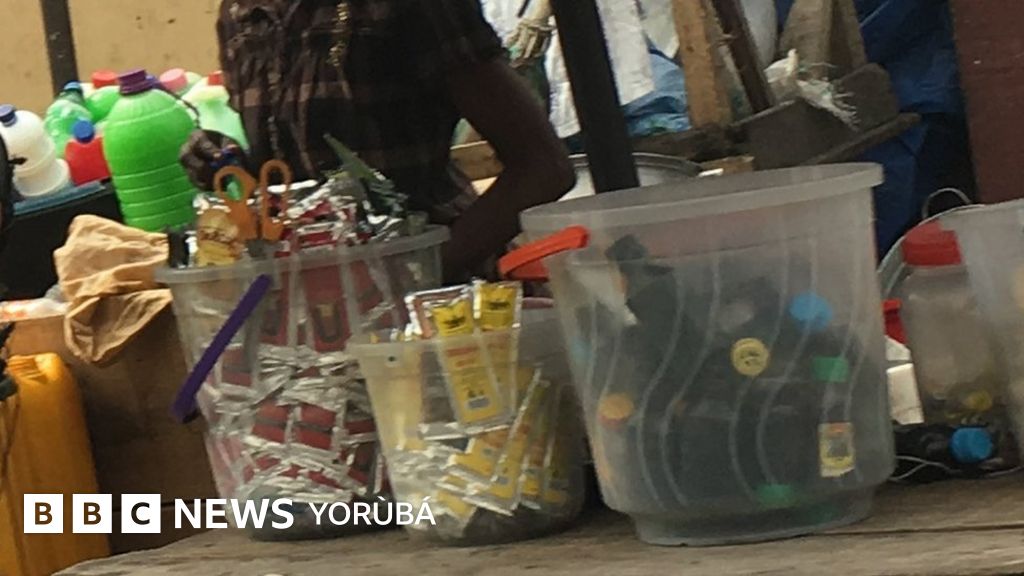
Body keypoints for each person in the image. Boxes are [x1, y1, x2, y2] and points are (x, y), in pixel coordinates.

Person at [181, 0, 575, 282]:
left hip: (441, 308)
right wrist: (228, 161)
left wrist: (419, 271)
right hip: (315, 311)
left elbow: (544, 168)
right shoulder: (242, 13)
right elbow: (301, 169)